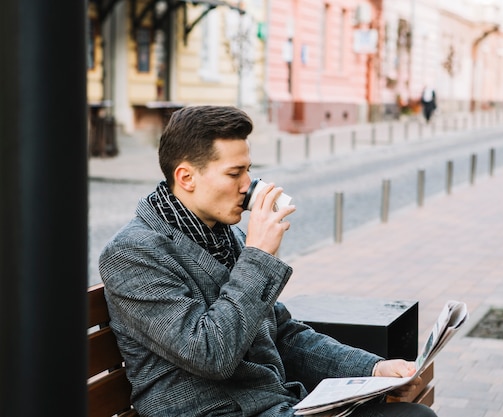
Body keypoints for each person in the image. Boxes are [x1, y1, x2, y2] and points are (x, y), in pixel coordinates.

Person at [99, 105, 438, 417]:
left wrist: (373, 369)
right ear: (186, 178)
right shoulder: (134, 253)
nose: (249, 187)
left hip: (270, 404)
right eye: (235, 174)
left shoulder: (225, 235)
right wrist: (258, 257)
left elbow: (283, 334)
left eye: (249, 171)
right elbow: (211, 355)